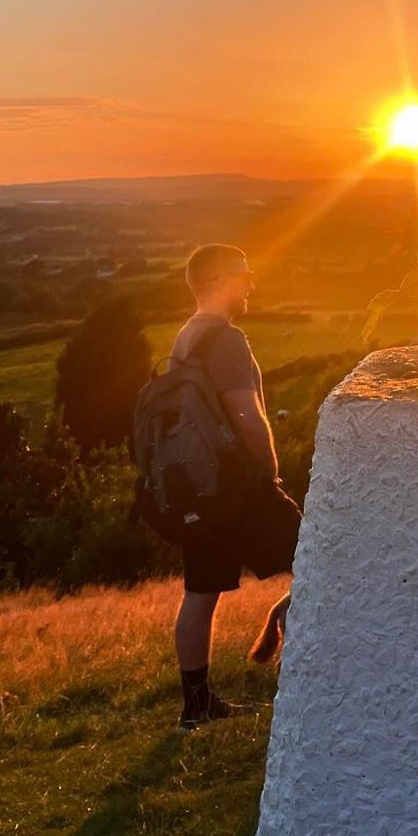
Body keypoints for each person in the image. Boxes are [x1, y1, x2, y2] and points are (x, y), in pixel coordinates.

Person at [171, 244, 301, 729]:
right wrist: (270, 471)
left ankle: (196, 706)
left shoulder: (184, 339)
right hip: (240, 486)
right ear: (219, 279)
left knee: (200, 595)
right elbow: (246, 415)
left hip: (199, 488)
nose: (250, 284)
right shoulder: (226, 339)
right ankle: (308, 679)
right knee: (321, 564)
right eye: (244, 275)